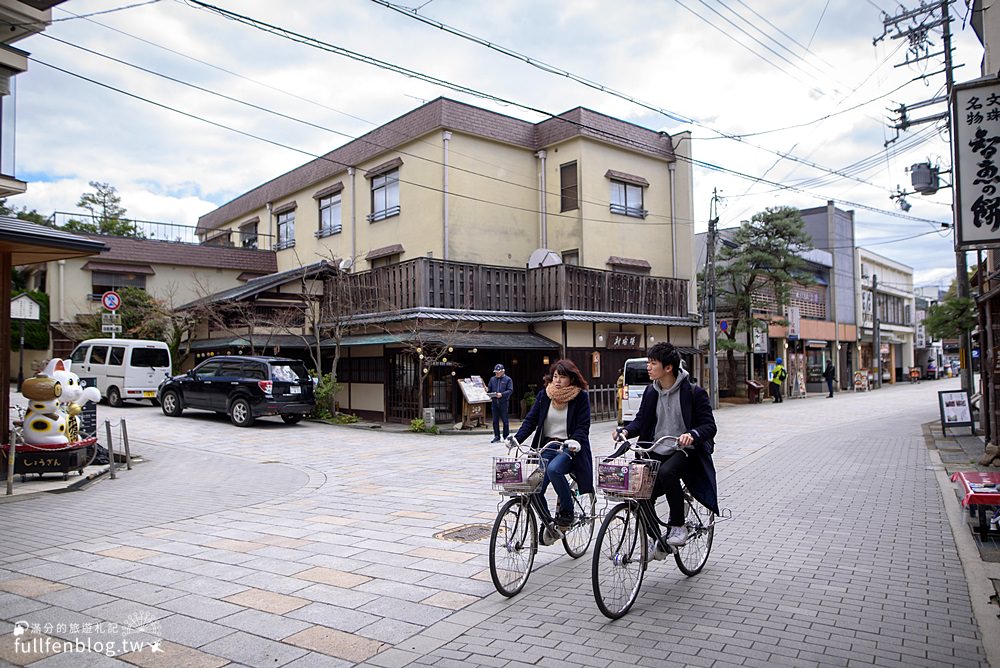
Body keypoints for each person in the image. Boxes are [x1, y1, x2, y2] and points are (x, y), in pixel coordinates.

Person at [614, 342, 718, 559]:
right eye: (649, 363)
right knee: (640, 490)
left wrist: (693, 434)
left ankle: (678, 525)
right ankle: (656, 539)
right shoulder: (651, 392)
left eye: (653, 363)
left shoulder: (693, 393)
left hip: (685, 450)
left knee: (667, 472)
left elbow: (709, 426)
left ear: (668, 367)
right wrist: (624, 431)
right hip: (655, 448)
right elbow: (641, 422)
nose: (648, 368)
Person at [510, 359, 593, 532]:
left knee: (554, 470)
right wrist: (517, 438)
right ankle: (549, 525)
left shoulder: (580, 397)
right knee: (535, 488)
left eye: (562, 377)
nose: (557, 380)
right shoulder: (544, 395)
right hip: (547, 446)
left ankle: (567, 512)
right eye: (555, 376)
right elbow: (531, 420)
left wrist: (576, 440)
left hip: (569, 448)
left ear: (571, 378)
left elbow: (583, 425)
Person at [487, 363, 513, 443]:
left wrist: (502, 394)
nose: (496, 374)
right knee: (495, 421)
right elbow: (489, 390)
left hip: (503, 402)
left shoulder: (508, 379)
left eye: (498, 372)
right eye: (495, 372)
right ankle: (497, 436)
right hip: (494, 402)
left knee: (505, 420)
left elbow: (510, 390)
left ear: (502, 371)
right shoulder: (492, 379)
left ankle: (505, 436)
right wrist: (488, 391)